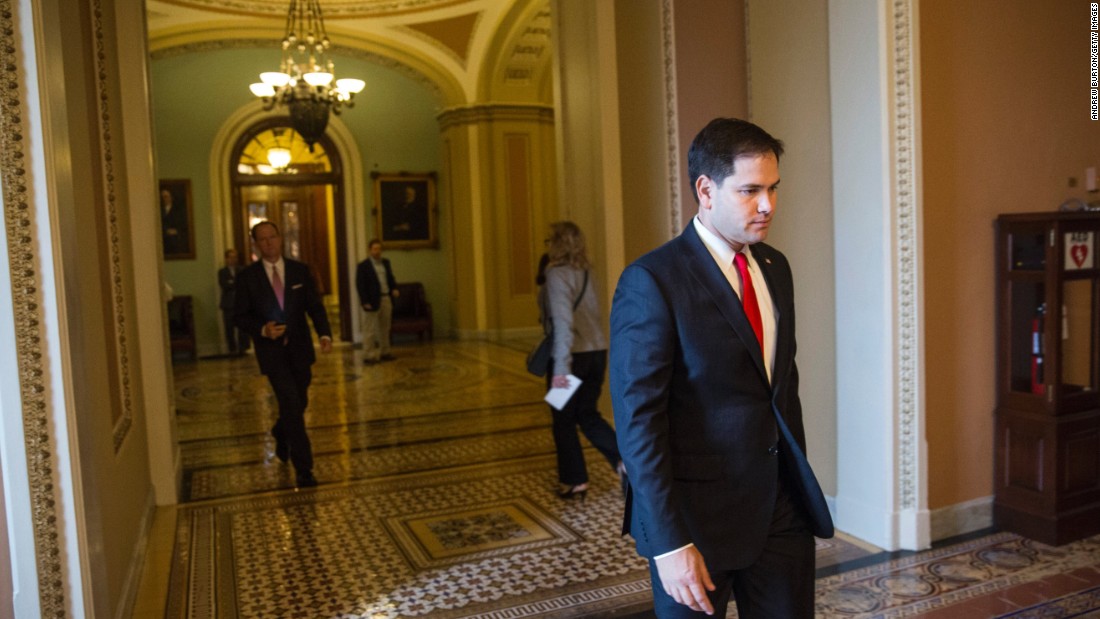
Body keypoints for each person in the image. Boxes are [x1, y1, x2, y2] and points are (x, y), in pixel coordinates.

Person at [609, 118, 833, 618]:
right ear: (706, 190)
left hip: (781, 514)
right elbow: (639, 422)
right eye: (751, 190)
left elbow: (780, 389)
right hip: (696, 526)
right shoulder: (652, 281)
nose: (769, 205)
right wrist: (668, 544)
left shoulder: (774, 267)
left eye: (773, 188)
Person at [234, 221, 332, 488]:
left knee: (299, 402)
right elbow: (238, 315)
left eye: (272, 237)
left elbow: (315, 306)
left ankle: (280, 430)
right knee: (290, 403)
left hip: (300, 350)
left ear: (280, 238)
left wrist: (324, 334)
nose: (269, 243)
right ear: (256, 245)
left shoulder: (300, 271)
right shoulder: (247, 277)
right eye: (262, 239)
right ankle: (305, 469)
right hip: (272, 353)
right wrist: (262, 330)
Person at [542, 221, 624, 500]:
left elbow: (564, 324)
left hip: (571, 357)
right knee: (588, 414)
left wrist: (560, 372)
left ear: (556, 244)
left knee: (562, 419)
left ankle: (575, 480)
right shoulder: (588, 272)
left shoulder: (555, 275)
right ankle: (624, 462)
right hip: (597, 353)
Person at [356, 239, 399, 364]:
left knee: (385, 327)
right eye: (375, 249)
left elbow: (390, 278)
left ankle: (385, 352)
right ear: (370, 250)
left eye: (379, 249)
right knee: (369, 329)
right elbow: (360, 285)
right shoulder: (363, 266)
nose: (377, 251)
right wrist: (364, 301)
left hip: (386, 298)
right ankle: (368, 355)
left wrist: (394, 288)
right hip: (372, 300)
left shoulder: (386, 263)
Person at [218, 248, 250, 355]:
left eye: (235, 257)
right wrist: (234, 283)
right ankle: (232, 349)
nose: (233, 260)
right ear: (226, 259)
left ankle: (243, 348)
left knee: (243, 327)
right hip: (228, 304)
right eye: (230, 257)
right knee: (229, 328)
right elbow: (225, 285)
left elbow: (244, 285)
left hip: (241, 303)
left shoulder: (242, 270)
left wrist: (233, 282)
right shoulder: (222, 272)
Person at [161, 187, 191, 257]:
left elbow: (183, 226)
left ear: (171, 198)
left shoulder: (178, 211)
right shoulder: (159, 211)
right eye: (162, 197)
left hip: (175, 242)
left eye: (166, 197)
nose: (163, 199)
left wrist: (176, 231)